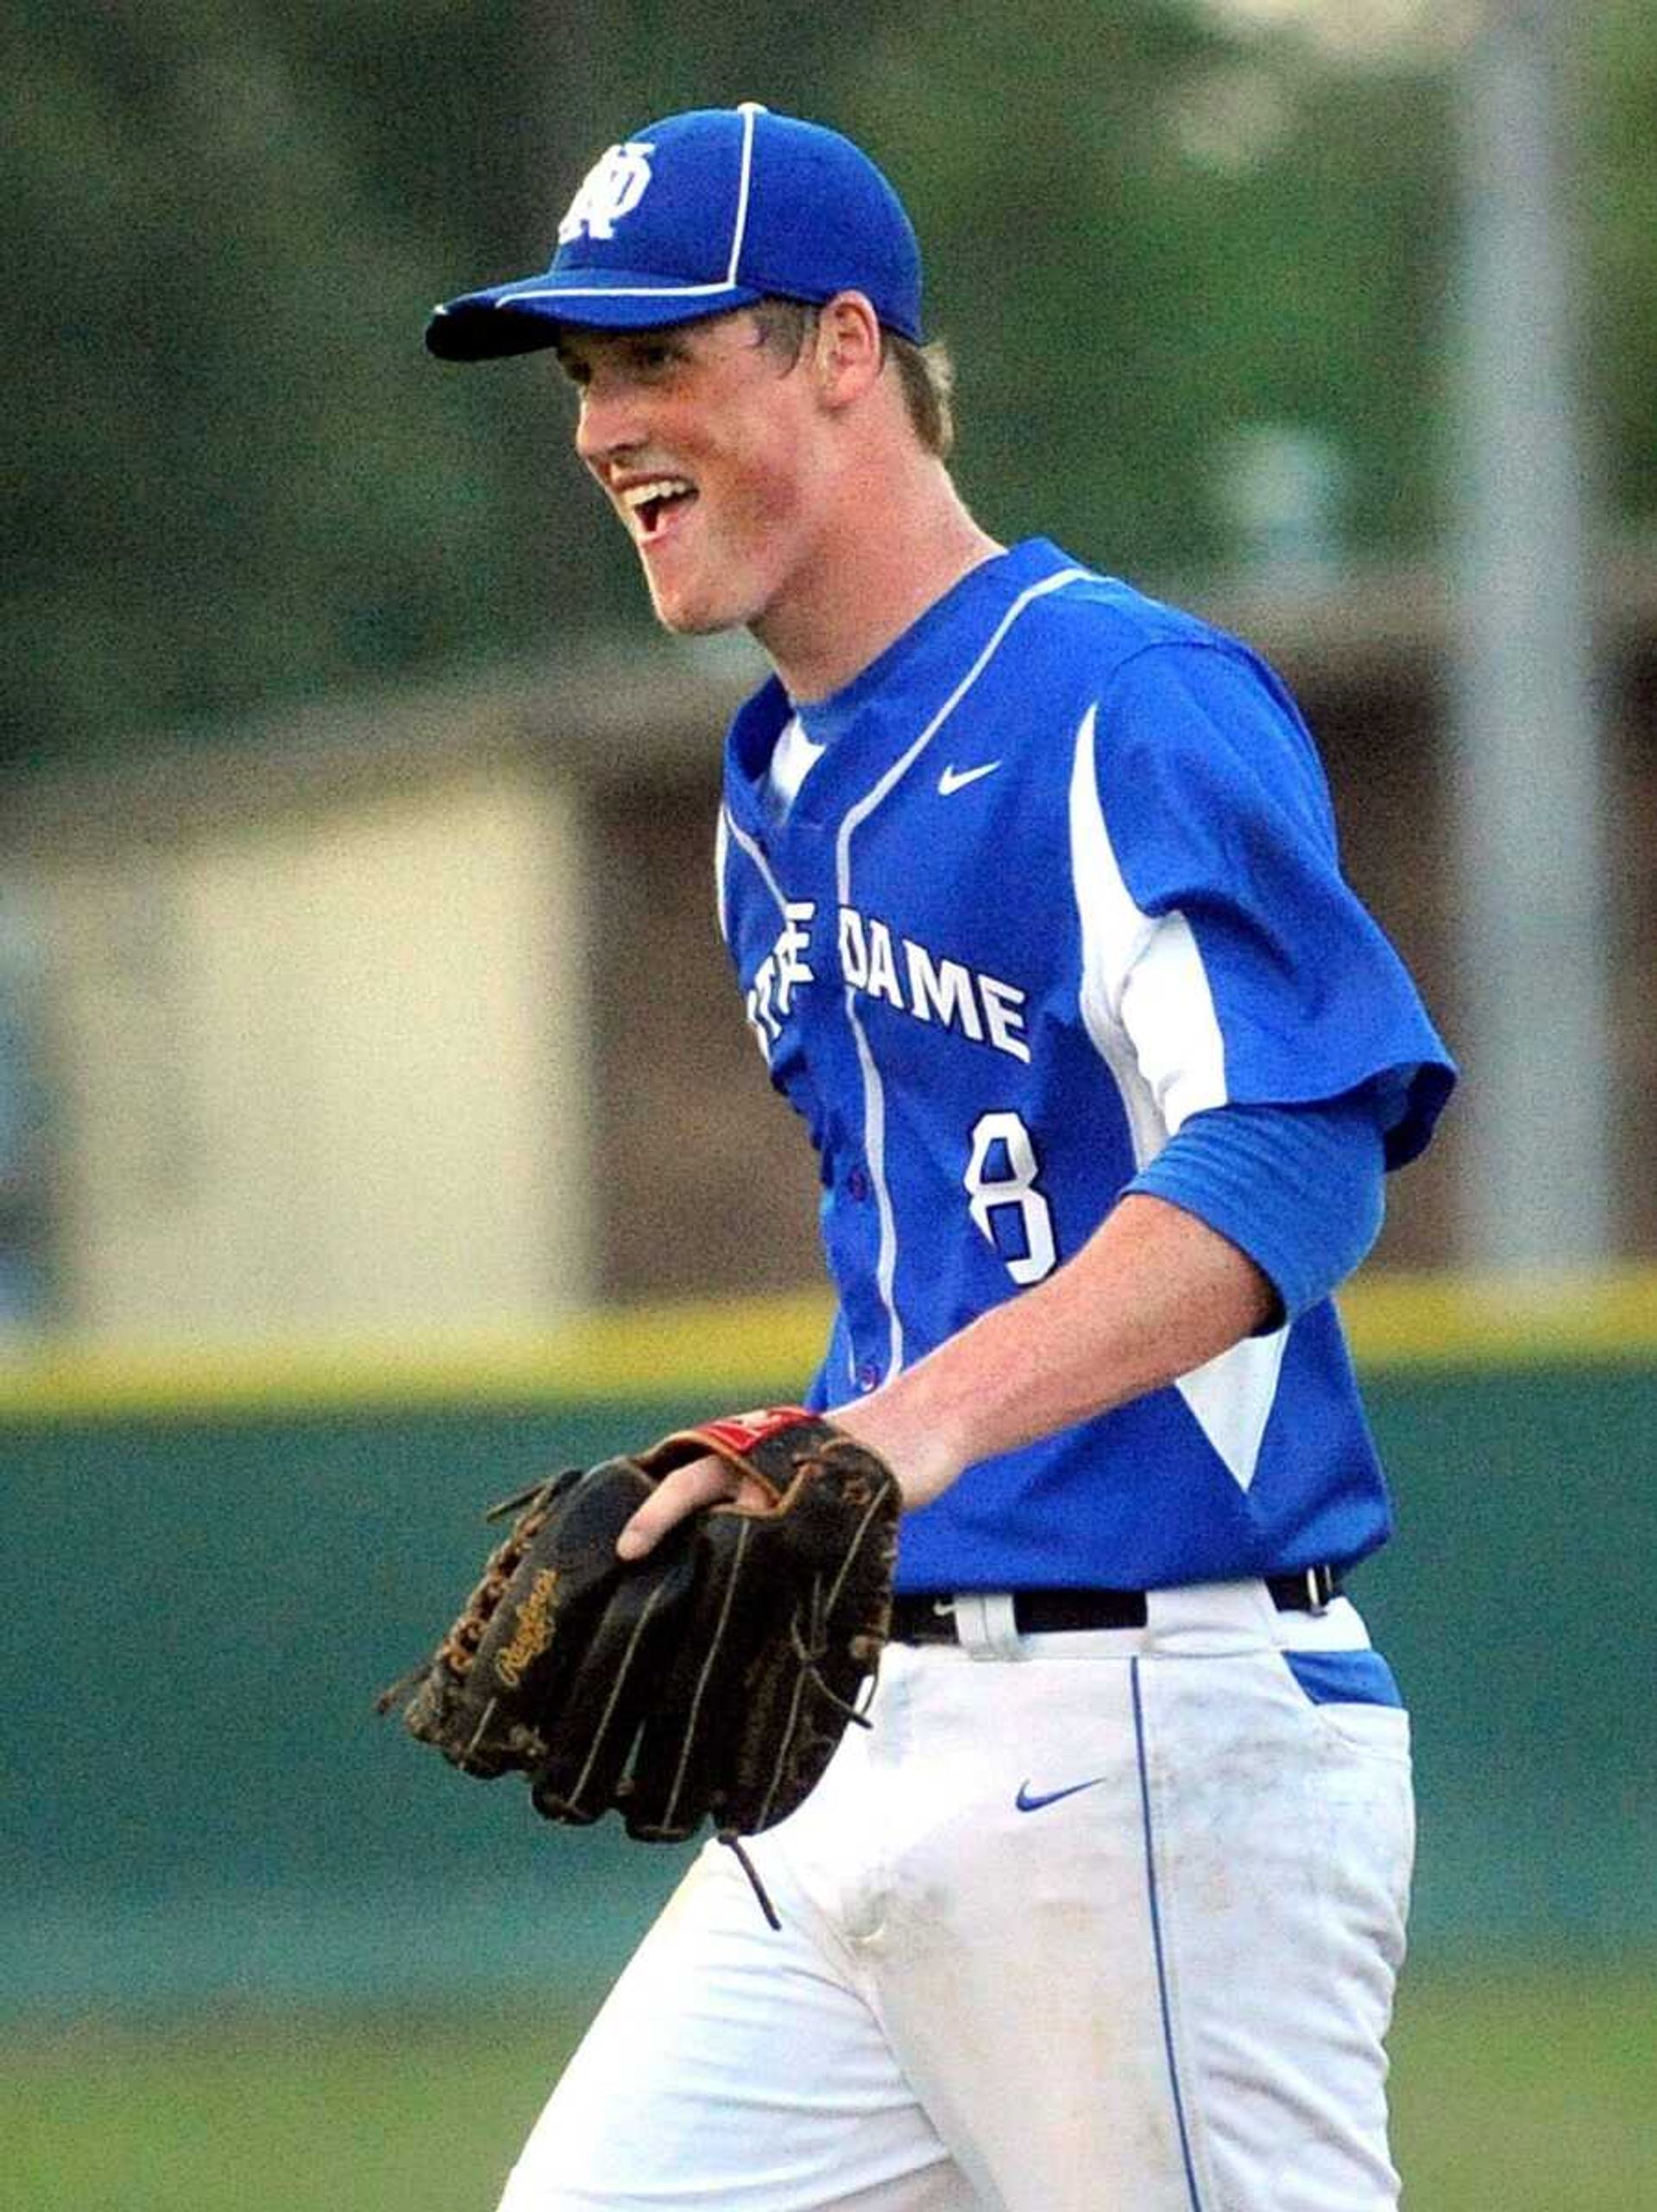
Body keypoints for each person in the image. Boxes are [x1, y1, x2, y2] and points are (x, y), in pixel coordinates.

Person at [427, 101, 1455, 2212]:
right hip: (863, 1739)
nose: (608, 419)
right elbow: (964, 1271)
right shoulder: (773, 788)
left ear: (843, 348)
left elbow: (1294, 1160)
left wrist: (895, 1443)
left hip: (1151, 1741)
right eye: (583, 374)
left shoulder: (1117, 698)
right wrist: (786, 1453)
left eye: (659, 354)